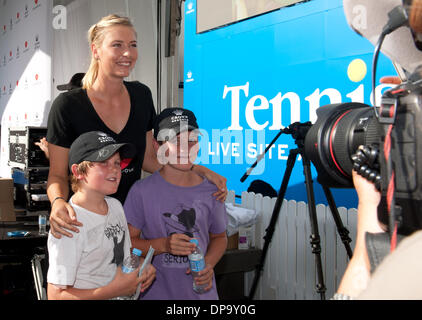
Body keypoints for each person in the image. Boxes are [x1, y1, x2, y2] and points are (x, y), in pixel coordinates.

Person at [46, 14, 227, 239]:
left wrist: (201, 172)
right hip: (82, 223)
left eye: (133, 45)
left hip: (127, 221)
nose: (128, 53)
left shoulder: (141, 95)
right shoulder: (67, 106)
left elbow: (149, 160)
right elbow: (56, 175)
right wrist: (58, 202)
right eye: (117, 45)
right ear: (96, 50)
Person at [124, 107, 228, 300]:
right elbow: (128, 244)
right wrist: (163, 244)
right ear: (157, 146)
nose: (184, 149)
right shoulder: (141, 191)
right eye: (174, 141)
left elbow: (220, 237)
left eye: (191, 141)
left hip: (202, 295)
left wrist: (209, 263)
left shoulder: (212, 190)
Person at [47, 131, 156, 300]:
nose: (114, 169)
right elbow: (56, 295)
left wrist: (142, 264)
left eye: (117, 163)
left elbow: (122, 256)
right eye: (104, 162)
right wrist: (115, 290)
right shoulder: (69, 222)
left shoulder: (116, 206)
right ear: (78, 171)